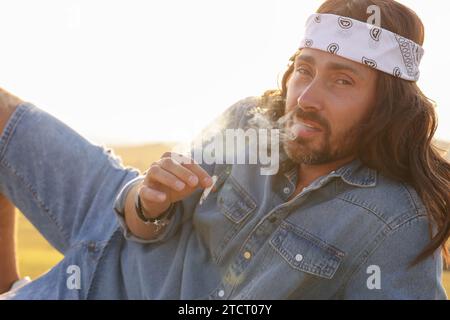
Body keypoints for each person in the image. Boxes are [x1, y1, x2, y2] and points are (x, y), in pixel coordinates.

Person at [0, 0, 449, 299]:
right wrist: (149, 202)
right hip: (110, 209)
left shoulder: (397, 222)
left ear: (384, 105)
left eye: (342, 80)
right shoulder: (247, 119)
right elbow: (144, 222)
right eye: (305, 70)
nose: (308, 97)